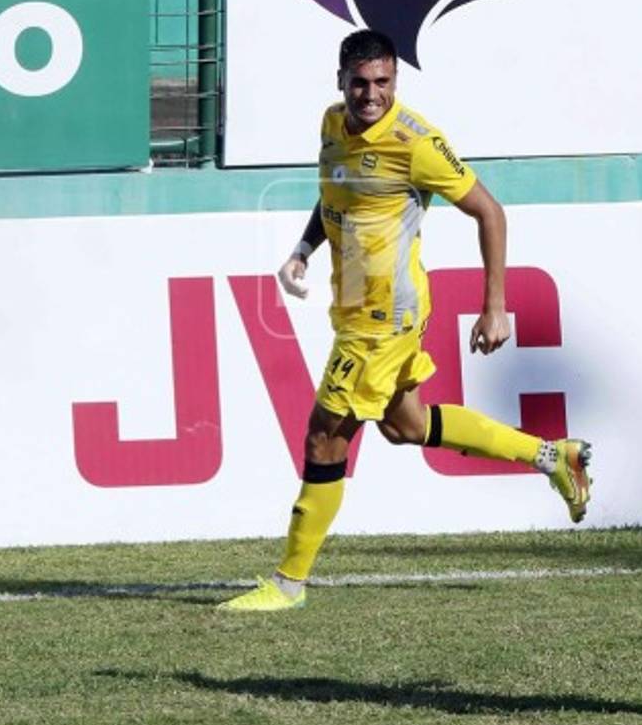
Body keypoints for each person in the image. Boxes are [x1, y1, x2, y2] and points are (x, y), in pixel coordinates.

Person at [219, 30, 592, 612]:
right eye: (360, 83)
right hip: (352, 310)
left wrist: (495, 306)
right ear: (340, 79)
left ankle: (288, 583)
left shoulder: (417, 143)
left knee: (325, 436)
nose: (371, 95)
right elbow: (336, 196)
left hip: (385, 319)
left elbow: (489, 212)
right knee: (407, 426)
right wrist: (302, 249)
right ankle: (552, 457)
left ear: (397, 80)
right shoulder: (330, 125)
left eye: (383, 83)